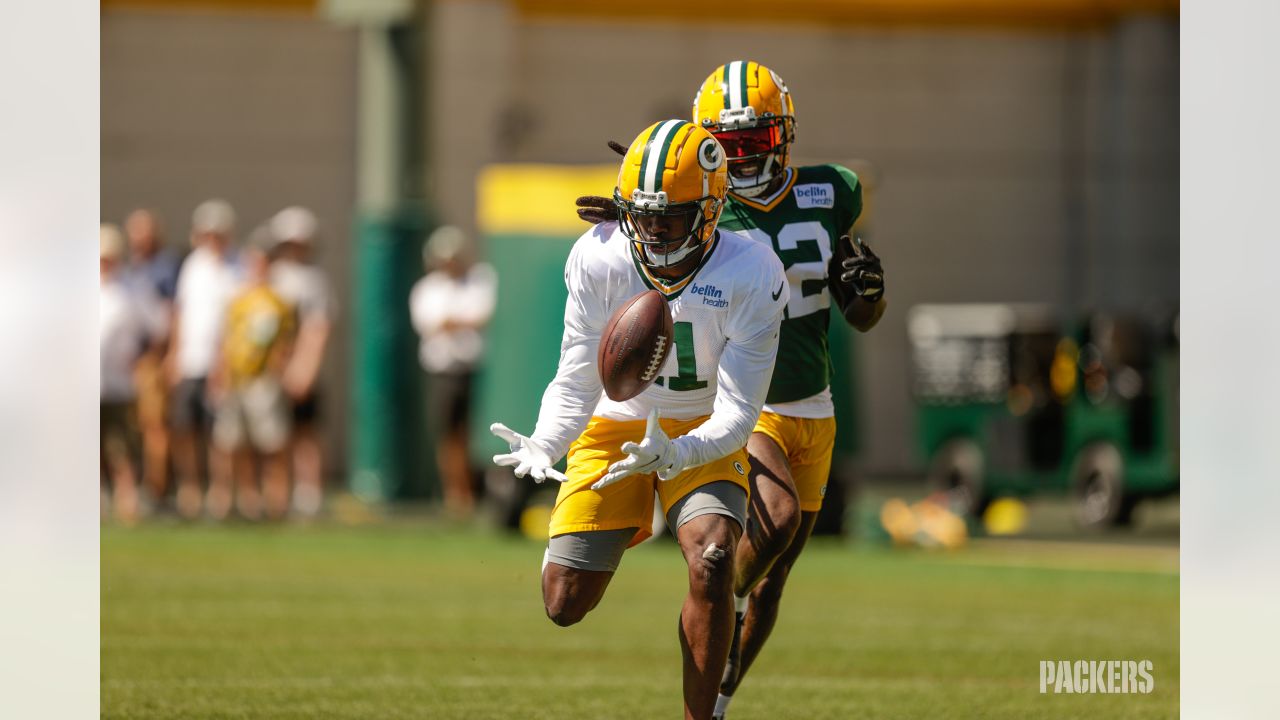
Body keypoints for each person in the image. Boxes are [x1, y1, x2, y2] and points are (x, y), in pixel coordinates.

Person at [575, 62, 888, 720]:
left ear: (784, 135)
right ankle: (711, 584)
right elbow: (664, 219)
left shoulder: (835, 193)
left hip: (817, 403)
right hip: (754, 397)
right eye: (730, 144)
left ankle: (716, 697)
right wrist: (639, 210)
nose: (744, 158)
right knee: (766, 523)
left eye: (755, 141)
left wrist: (867, 297)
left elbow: (856, 313)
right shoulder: (710, 206)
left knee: (773, 584)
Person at [491, 119, 788, 720]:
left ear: (709, 213)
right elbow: (576, 372)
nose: (652, 231)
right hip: (614, 421)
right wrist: (547, 441)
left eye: (669, 218)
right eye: (643, 214)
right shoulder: (599, 256)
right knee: (563, 603)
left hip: (699, 428)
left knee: (712, 557)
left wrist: (677, 455)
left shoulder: (752, 272)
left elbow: (738, 414)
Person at [409, 226, 497, 517]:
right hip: (444, 371)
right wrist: (460, 321)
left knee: (477, 433)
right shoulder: (426, 289)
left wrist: (454, 322)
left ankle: (477, 492)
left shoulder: (480, 280)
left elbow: (482, 317)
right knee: (450, 434)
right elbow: (434, 324)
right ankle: (457, 495)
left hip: (476, 369)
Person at [207, 234, 295, 520]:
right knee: (236, 444)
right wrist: (219, 373)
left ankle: (277, 500)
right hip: (237, 379)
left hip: (265, 381)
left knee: (272, 443)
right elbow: (225, 339)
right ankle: (249, 500)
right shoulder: (237, 300)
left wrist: (282, 372)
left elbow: (287, 342)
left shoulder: (279, 301)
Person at [165, 199, 241, 519]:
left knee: (219, 436)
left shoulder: (238, 268)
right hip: (189, 361)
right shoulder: (192, 266)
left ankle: (220, 494)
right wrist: (173, 354)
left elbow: (235, 321)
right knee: (184, 429)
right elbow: (180, 312)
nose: (212, 239)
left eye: (218, 233)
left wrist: (224, 363)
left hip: (221, 366)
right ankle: (190, 490)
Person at [267, 206, 335, 518]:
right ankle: (276, 495)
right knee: (273, 434)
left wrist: (305, 368)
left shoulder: (314, 280)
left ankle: (309, 494)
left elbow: (318, 327)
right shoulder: (272, 275)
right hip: (269, 367)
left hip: (301, 366)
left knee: (306, 432)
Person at [100, 224, 164, 524]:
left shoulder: (132, 289)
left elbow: (158, 330)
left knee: (122, 448)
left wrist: (143, 363)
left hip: (120, 385)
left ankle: (128, 504)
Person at [122, 209, 181, 509]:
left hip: (152, 359)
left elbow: (173, 313)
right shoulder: (130, 269)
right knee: (130, 429)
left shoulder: (166, 267)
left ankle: (157, 490)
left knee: (155, 427)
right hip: (125, 362)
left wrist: (168, 355)